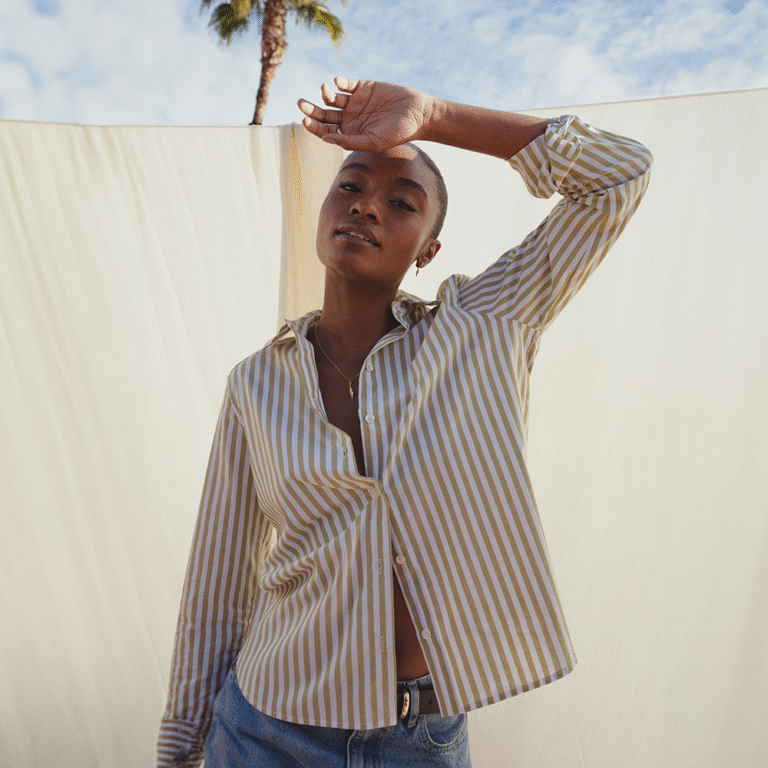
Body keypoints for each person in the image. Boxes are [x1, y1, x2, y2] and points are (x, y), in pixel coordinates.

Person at [157, 77, 652, 768]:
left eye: (402, 202)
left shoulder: (484, 327)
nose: (366, 205)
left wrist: (433, 116)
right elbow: (217, 582)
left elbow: (618, 175)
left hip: (420, 739)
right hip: (264, 728)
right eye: (350, 186)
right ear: (324, 210)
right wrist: (181, 744)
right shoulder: (255, 384)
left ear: (427, 250)